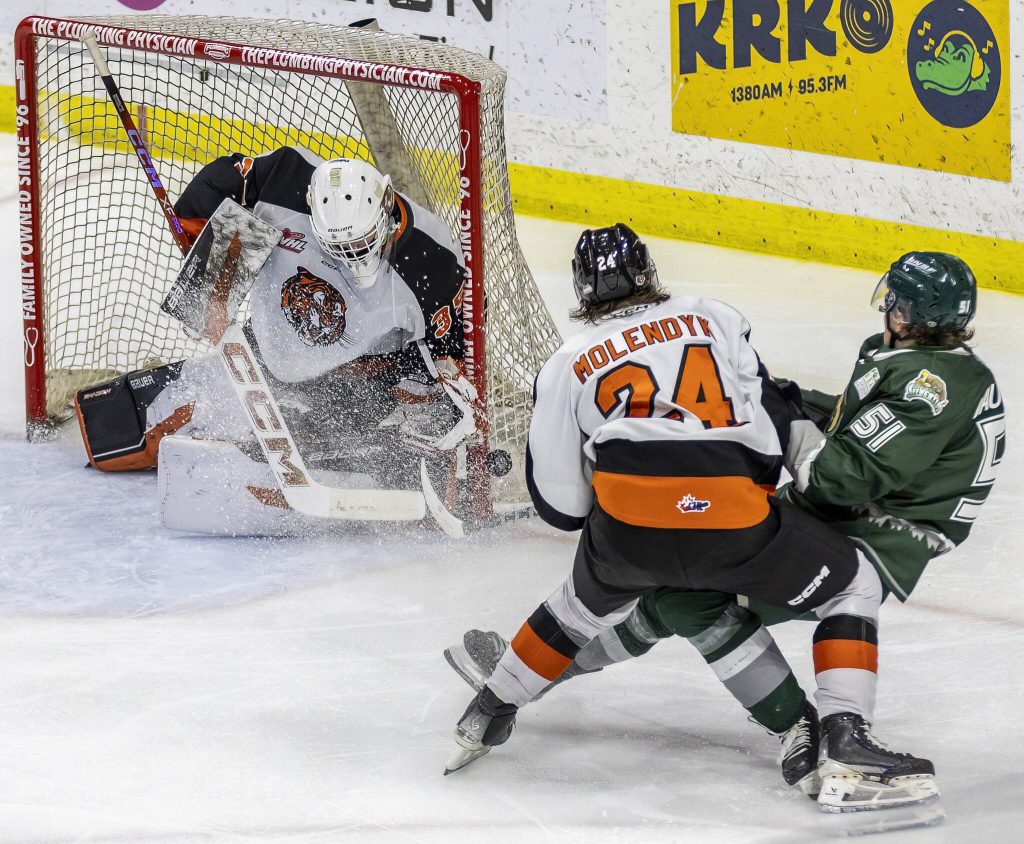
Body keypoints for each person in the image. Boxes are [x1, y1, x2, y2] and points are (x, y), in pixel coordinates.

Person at [446, 250, 1002, 809]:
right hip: (853, 509)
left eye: (896, 304)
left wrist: (776, 420)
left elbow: (840, 479)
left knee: (716, 596)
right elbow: (855, 432)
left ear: (907, 314)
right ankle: (802, 730)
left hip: (883, 532)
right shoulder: (916, 364)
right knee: (679, 600)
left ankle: (842, 733)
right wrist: (786, 405)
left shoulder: (934, 385)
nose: (889, 313)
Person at [73, 147, 480, 521]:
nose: (355, 258)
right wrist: (211, 282)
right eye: (341, 249)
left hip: (362, 382)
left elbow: (448, 359)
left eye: (363, 244)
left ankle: (348, 449)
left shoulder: (434, 259)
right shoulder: (284, 179)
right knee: (114, 431)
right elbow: (212, 190)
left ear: (387, 207)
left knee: (379, 459)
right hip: (264, 355)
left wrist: (439, 413)